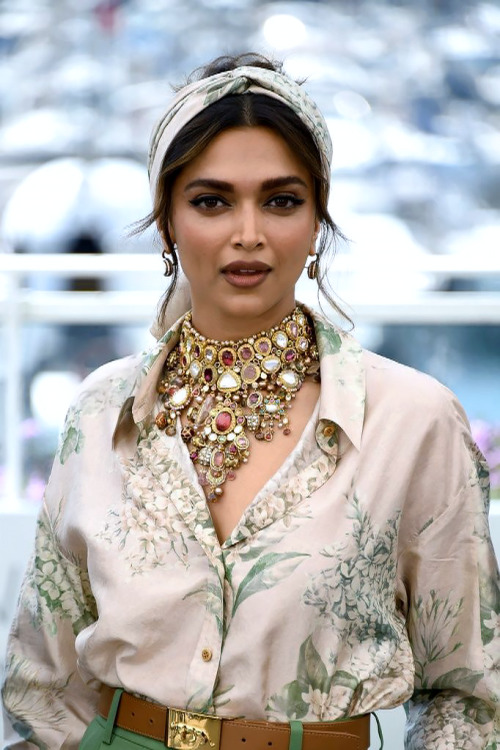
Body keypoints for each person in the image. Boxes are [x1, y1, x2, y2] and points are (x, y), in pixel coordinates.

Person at [2, 53, 499, 750]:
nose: (248, 233)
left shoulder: (411, 421)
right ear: (168, 222)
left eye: (281, 200)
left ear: (318, 220)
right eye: (211, 201)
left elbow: (473, 694)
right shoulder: (99, 413)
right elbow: (41, 684)